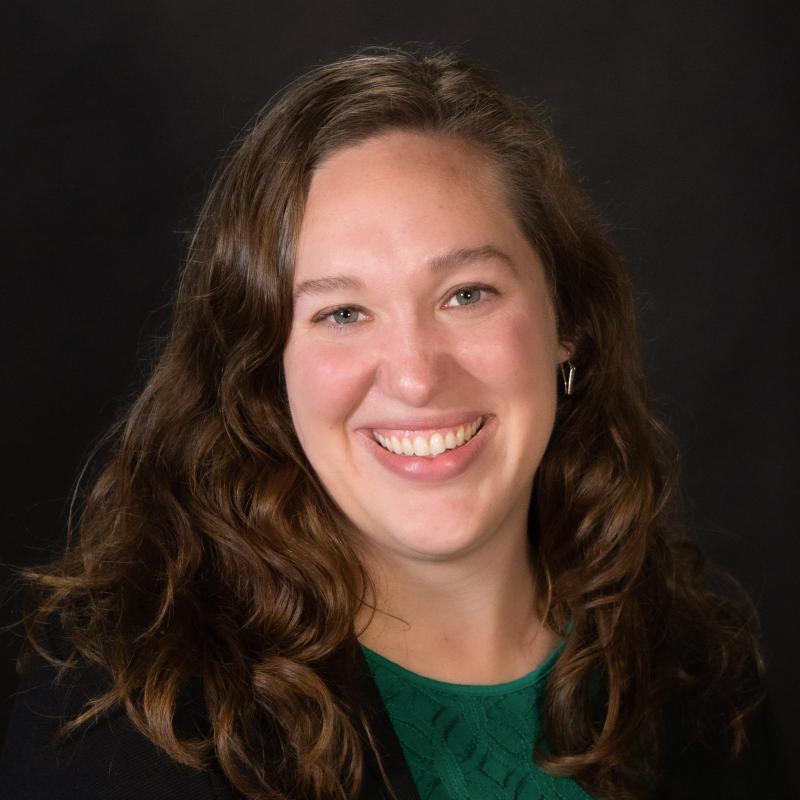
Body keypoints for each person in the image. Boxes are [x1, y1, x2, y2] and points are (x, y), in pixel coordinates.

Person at [0, 46, 792, 800]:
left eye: (467, 294)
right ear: (264, 369)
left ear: (567, 320)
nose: (415, 376)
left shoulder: (696, 680)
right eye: (342, 312)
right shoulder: (130, 718)